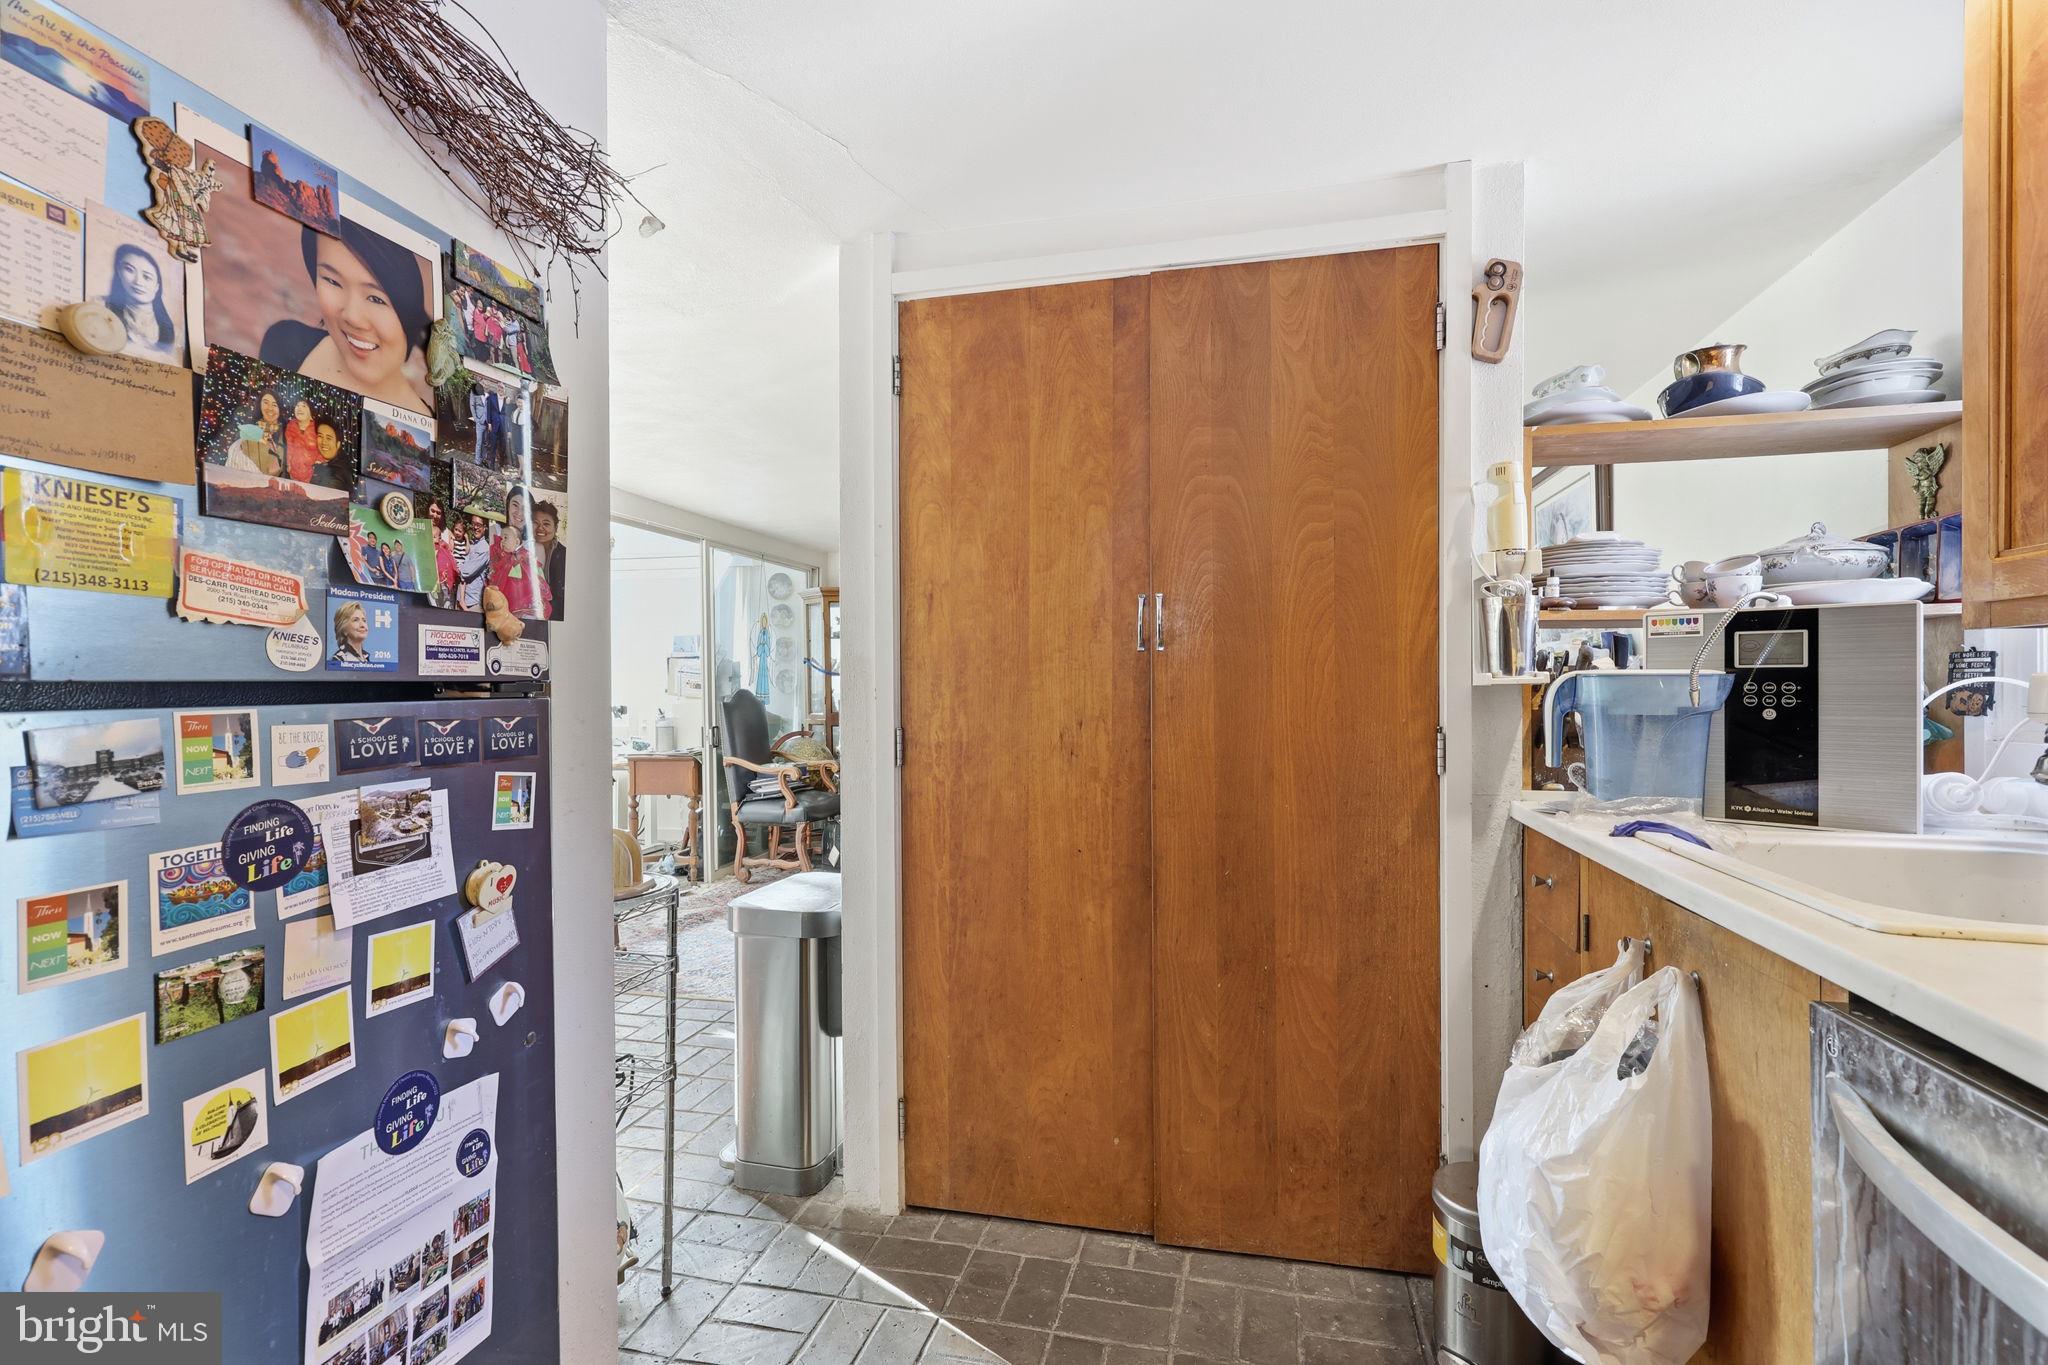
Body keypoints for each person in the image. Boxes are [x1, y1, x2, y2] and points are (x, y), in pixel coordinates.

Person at [260, 220, 433, 414]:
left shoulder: (424, 427)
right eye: (332, 281)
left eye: (376, 299)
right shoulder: (284, 343)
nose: (352, 317)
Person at [101, 241, 176, 356]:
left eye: (147, 277)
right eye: (129, 270)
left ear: (157, 286)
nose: (138, 282)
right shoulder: (100, 306)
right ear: (119, 273)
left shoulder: (173, 332)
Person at [487, 521, 552, 619]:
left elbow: (536, 573)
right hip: (510, 596)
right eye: (501, 539)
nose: (502, 541)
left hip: (524, 595)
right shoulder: (503, 557)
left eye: (505, 538)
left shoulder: (525, 555)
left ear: (517, 542)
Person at [531, 499, 564, 620]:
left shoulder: (563, 555)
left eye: (546, 524)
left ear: (555, 528)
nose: (540, 528)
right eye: (535, 523)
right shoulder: (524, 551)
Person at [456, 515, 492, 611]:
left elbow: (466, 572)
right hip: (461, 600)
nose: (475, 527)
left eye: (479, 525)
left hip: (472, 604)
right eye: (473, 524)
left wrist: (452, 563)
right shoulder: (472, 544)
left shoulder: (484, 549)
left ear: (485, 527)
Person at [283, 398, 320, 482]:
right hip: (292, 475)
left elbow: (323, 449)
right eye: (297, 406)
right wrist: (288, 464)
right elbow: (289, 446)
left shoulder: (318, 428)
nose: (299, 408)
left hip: (312, 477)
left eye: (304, 406)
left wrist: (318, 463)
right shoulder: (290, 426)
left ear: (310, 411)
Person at [330, 600, 371, 665]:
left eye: (364, 620)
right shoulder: (338, 659)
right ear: (343, 629)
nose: (362, 625)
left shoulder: (366, 658)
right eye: (355, 620)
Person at [312, 422, 347, 489]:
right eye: (320, 436)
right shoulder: (320, 461)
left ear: (338, 444)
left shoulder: (336, 474)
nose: (323, 442)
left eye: (328, 438)